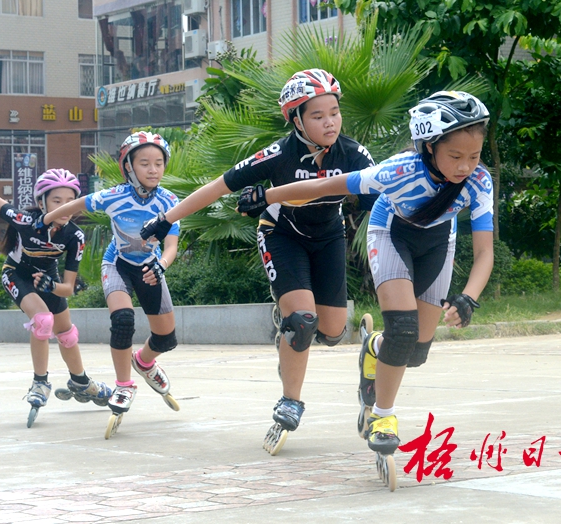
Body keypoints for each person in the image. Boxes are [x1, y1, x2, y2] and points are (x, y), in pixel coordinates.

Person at [237, 91, 494, 456]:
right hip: (391, 232)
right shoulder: (397, 171)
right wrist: (268, 195)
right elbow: (323, 185)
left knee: (415, 351)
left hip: (439, 241)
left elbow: (485, 252)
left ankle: (374, 348)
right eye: (455, 156)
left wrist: (469, 296)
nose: (465, 166)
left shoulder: (480, 182)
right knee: (402, 331)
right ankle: (383, 418)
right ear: (428, 146)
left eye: (474, 156)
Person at [140, 69, 376, 453]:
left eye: (334, 111)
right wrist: (166, 218)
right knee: (302, 323)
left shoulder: (354, 155)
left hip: (329, 237)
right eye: (318, 116)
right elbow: (217, 187)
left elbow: (381, 205)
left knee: (333, 333)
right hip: (282, 235)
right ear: (296, 119)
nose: (330, 121)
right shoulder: (279, 154)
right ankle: (290, 399)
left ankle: (323, 337)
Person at [35, 132, 181, 426]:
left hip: (152, 267)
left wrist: (162, 265)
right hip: (117, 264)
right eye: (145, 163)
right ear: (128, 166)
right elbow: (75, 206)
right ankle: (124, 386)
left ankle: (144, 362)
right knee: (123, 320)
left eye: (158, 163)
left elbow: (172, 245)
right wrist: (46, 221)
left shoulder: (170, 201)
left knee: (166, 339)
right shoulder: (113, 196)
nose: (153, 170)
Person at [0, 166, 112, 426]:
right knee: (42, 321)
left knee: (67, 335)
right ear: (42, 202)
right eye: (57, 201)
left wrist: (51, 286)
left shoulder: (75, 236)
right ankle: (40, 382)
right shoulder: (26, 221)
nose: (64, 208)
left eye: (70, 202)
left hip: (49, 281)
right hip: (17, 274)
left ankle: (81, 381)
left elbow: (69, 288)